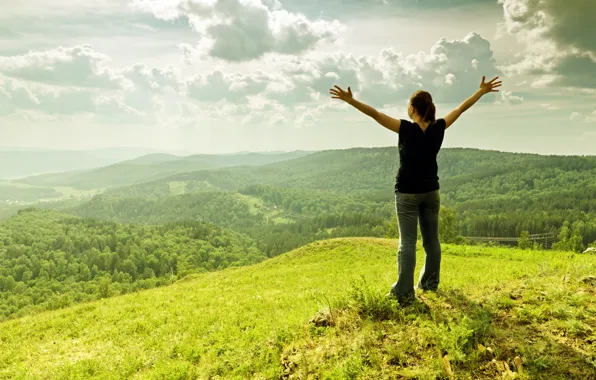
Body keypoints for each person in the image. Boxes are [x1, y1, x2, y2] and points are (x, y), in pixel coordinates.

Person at [330, 76, 502, 304]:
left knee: (407, 243)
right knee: (432, 241)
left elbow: (375, 114)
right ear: (430, 108)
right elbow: (461, 109)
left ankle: (403, 292)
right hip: (432, 192)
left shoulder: (405, 129)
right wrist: (480, 92)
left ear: (412, 108)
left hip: (407, 193)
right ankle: (430, 285)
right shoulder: (438, 127)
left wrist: (350, 101)